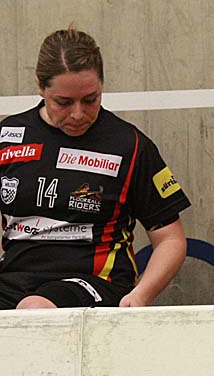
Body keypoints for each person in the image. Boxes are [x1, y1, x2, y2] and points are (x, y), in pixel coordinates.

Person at [0, 27, 191, 309]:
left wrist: (141, 295)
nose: (78, 114)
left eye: (90, 99)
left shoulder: (130, 145)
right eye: (63, 103)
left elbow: (170, 239)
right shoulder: (8, 136)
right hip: (15, 279)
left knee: (35, 309)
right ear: (40, 87)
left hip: (95, 281)